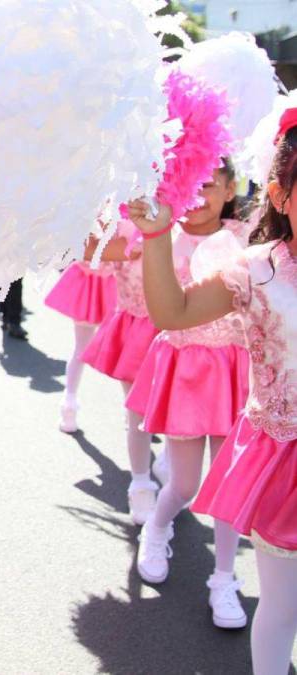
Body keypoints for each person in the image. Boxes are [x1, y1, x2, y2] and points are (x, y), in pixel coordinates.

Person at [127, 109, 297, 675]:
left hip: (249, 408)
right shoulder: (256, 271)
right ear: (278, 194)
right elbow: (172, 311)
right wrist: (156, 237)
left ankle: (223, 578)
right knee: (280, 606)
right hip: (278, 454)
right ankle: (212, 569)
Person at [126, 163, 251, 629]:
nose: (200, 197)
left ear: (228, 191)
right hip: (186, 368)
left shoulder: (246, 236)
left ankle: (224, 579)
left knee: (228, 485)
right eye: (192, 186)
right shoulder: (167, 232)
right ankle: (157, 527)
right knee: (186, 483)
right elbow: (159, 300)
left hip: (236, 371)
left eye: (211, 187)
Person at [80, 221, 160, 524]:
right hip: (136, 326)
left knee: (174, 416)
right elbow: (90, 247)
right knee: (138, 413)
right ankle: (141, 483)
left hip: (185, 335)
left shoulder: (214, 230)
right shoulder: (127, 219)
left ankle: (167, 473)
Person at [44, 248, 117, 432]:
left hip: (89, 279)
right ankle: (132, 412)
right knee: (123, 347)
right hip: (112, 281)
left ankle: (69, 402)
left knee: (81, 347)